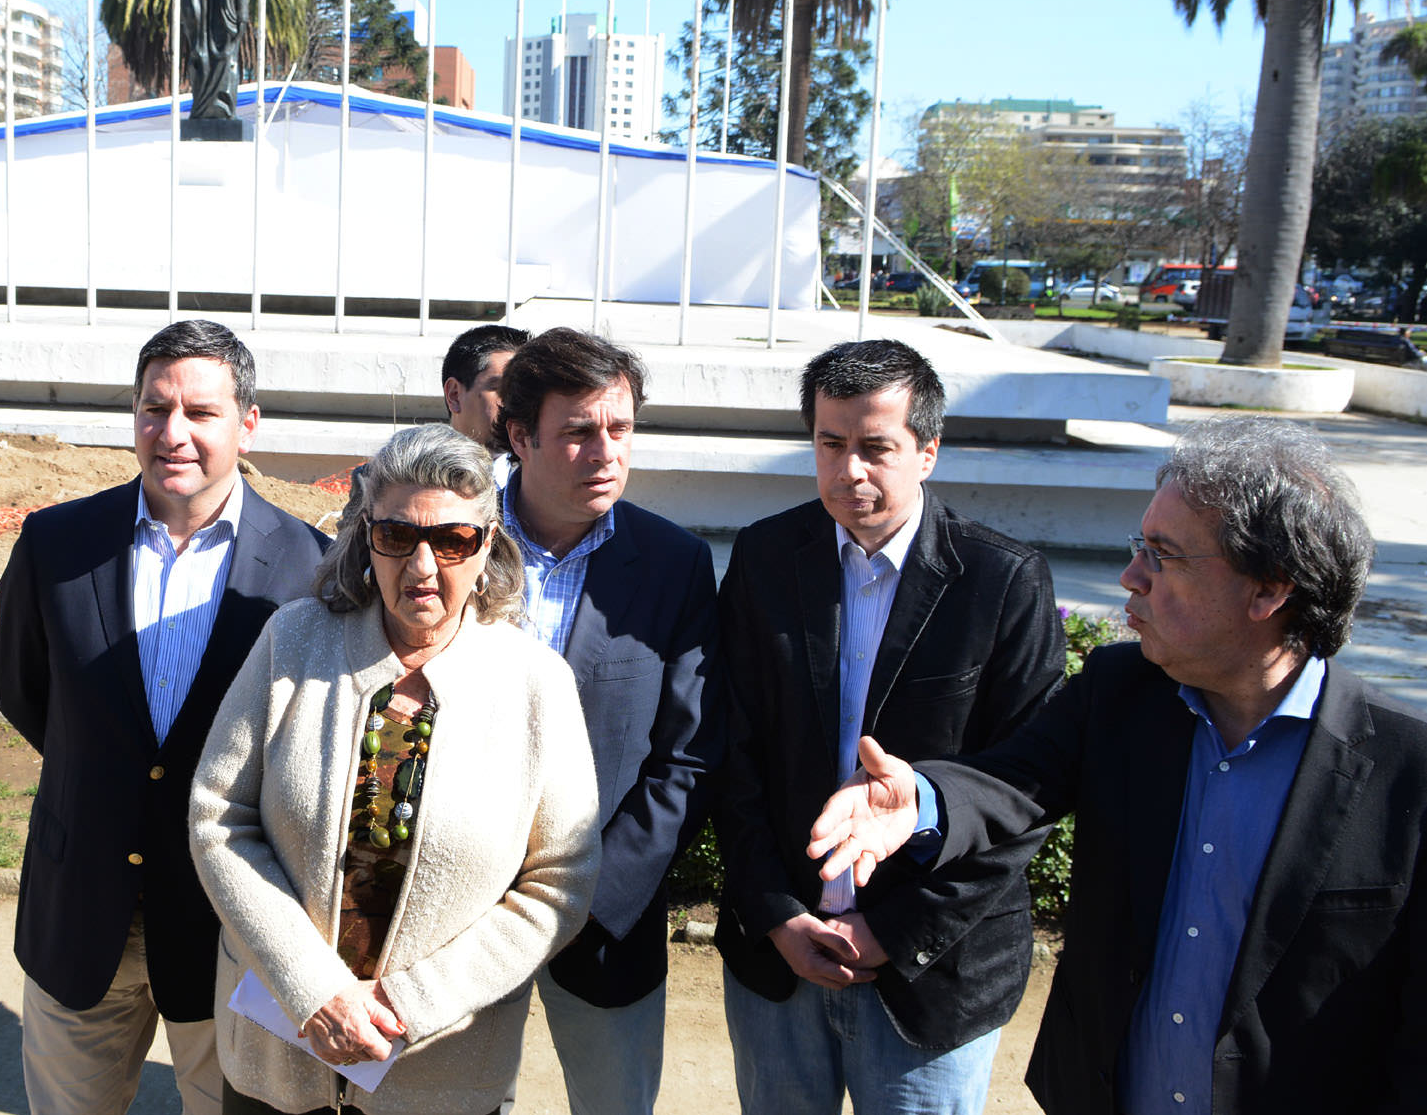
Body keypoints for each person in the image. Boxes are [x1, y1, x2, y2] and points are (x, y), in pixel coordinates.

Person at [809, 416, 1427, 1115]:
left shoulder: (1406, 768)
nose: (1130, 576)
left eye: (1162, 555)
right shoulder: (1120, 690)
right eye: (1139, 546)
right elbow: (1013, 781)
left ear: (1267, 591)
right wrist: (919, 799)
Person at [190, 423, 601, 1115]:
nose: (420, 567)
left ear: (487, 547)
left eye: (451, 541)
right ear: (364, 538)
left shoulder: (536, 684)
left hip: (441, 1073)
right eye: (396, 537)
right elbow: (218, 818)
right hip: (277, 1055)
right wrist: (310, 985)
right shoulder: (292, 640)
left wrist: (408, 1004)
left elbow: (560, 881)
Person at [714, 338, 1065, 1115]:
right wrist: (774, 913)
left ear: (927, 450)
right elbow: (731, 753)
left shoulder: (1001, 581)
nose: (849, 472)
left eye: (876, 448)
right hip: (778, 960)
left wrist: (894, 930)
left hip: (932, 975)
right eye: (830, 445)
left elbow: (1028, 788)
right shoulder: (767, 556)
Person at [0, 319, 329, 1115]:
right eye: (153, 408)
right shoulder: (56, 542)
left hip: (227, 929)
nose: (171, 433)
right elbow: (26, 690)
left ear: (248, 423)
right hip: (81, 913)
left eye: (200, 413)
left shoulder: (309, 568)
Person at [494, 326, 721, 1115]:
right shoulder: (448, 540)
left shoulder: (674, 564)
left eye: (619, 430)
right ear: (520, 436)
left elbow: (687, 758)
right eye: (578, 433)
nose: (606, 453)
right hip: (447, 910)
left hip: (602, 920)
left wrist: (590, 893)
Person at [441, 323, 530, 454]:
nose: (517, 402)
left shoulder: (547, 472)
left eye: (525, 391)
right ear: (454, 395)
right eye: (503, 389)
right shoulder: (411, 470)